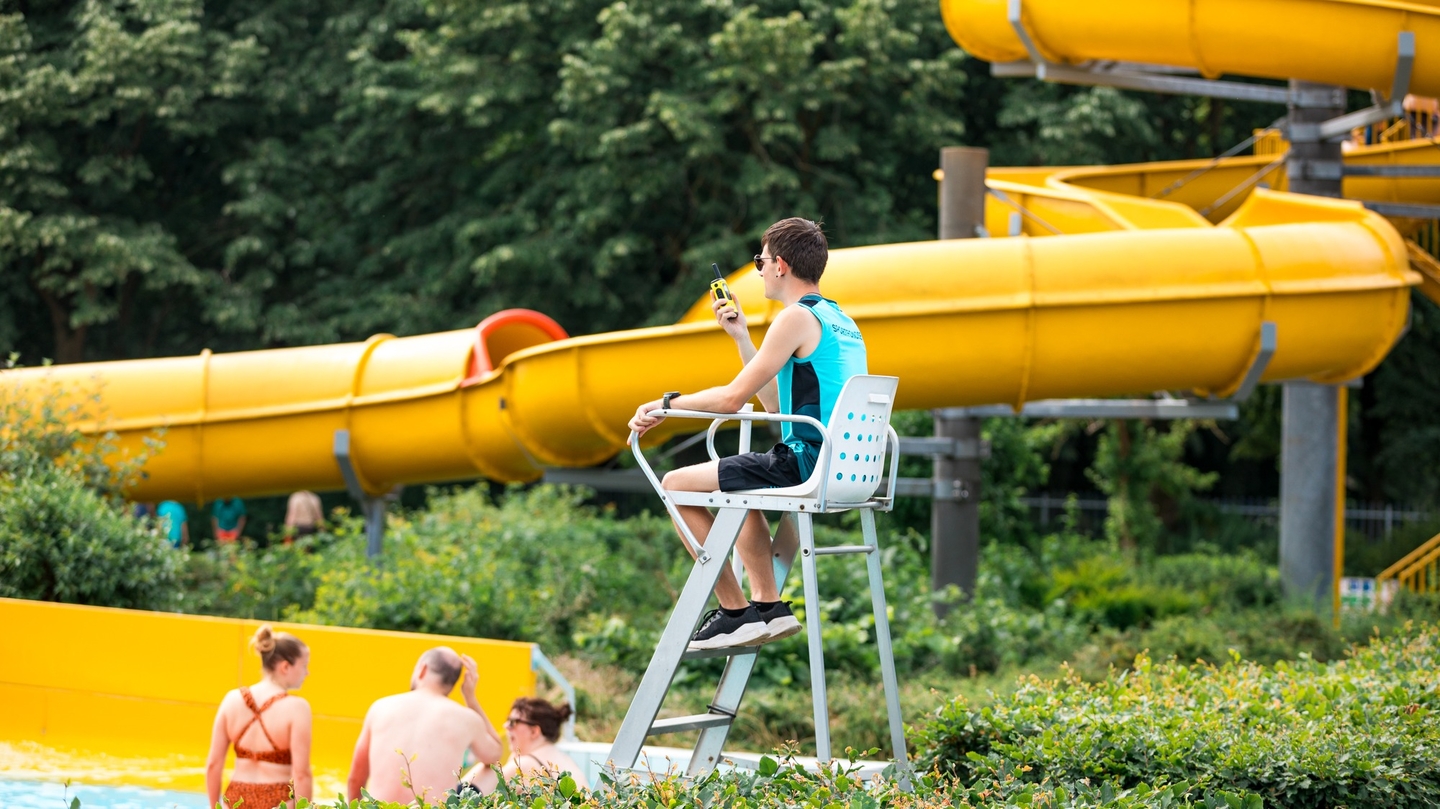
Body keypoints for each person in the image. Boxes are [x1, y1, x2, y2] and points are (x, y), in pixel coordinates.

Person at [628, 218, 867, 651]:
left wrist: (665, 404)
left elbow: (731, 400)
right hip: (845, 463)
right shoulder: (838, 318)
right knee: (740, 482)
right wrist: (741, 337)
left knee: (676, 485)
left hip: (807, 458)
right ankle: (769, 606)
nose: (757, 271)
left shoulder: (794, 317)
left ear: (779, 265)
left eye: (759, 261)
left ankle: (735, 613)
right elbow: (776, 404)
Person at [347, 648, 503, 804]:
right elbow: (496, 755)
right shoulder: (467, 719)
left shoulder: (380, 707)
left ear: (422, 669)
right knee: (490, 771)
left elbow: (355, 778)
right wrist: (470, 698)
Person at [206, 625, 313, 809]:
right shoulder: (297, 708)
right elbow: (301, 774)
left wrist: (215, 806)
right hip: (278, 798)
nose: (307, 672)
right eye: (304, 665)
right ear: (285, 667)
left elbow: (213, 765)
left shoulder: (231, 699)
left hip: (236, 798)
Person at [459, 697, 586, 793]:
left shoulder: (525, 764)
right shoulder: (561, 758)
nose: (506, 726)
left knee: (488, 767)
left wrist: (488, 758)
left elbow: (461, 797)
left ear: (534, 731)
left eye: (514, 722)